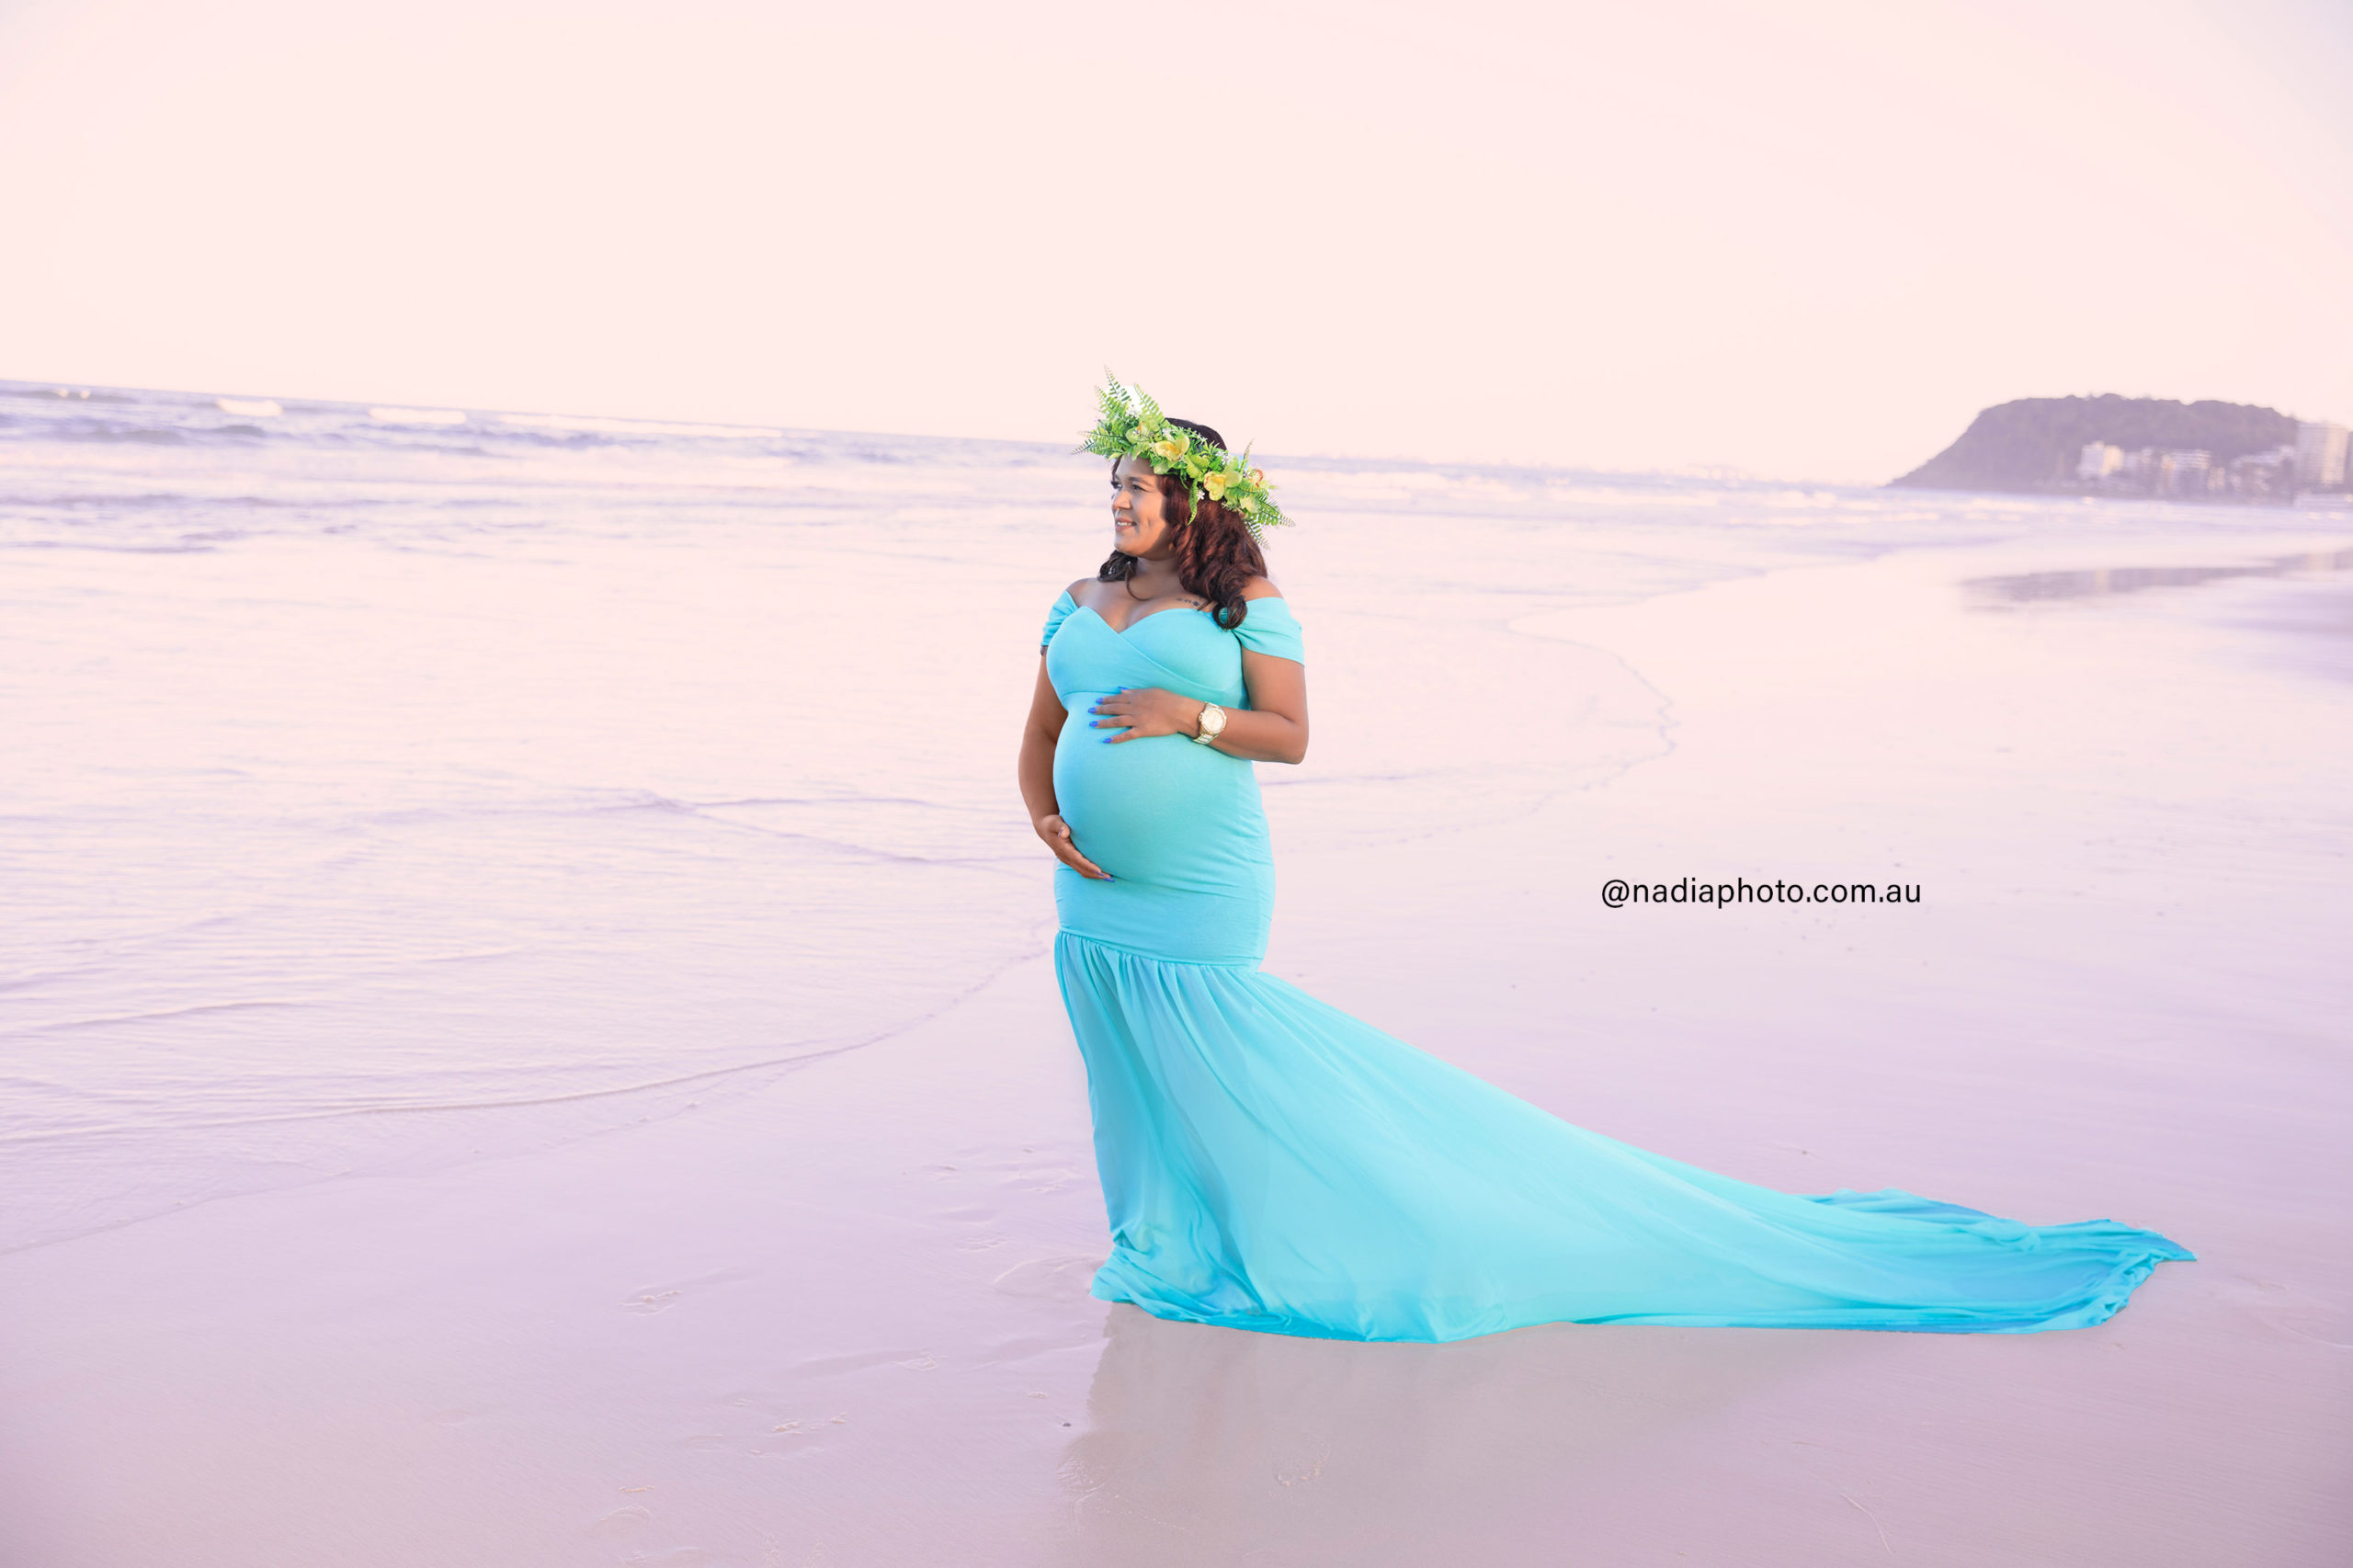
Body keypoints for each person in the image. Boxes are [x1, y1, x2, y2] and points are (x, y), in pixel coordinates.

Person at [1015, 379, 2188, 1343]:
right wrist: (1042, 812)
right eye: (1115, 483)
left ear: (1198, 504)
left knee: (1230, 1064)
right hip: (1092, 895)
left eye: (1143, 486)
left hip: (1203, 889)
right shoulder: (1073, 599)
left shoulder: (1247, 606)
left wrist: (1189, 716)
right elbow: (1039, 734)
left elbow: (1293, 737)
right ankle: (1157, 1239)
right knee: (1126, 1073)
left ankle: (1282, 1233)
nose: (1121, 501)